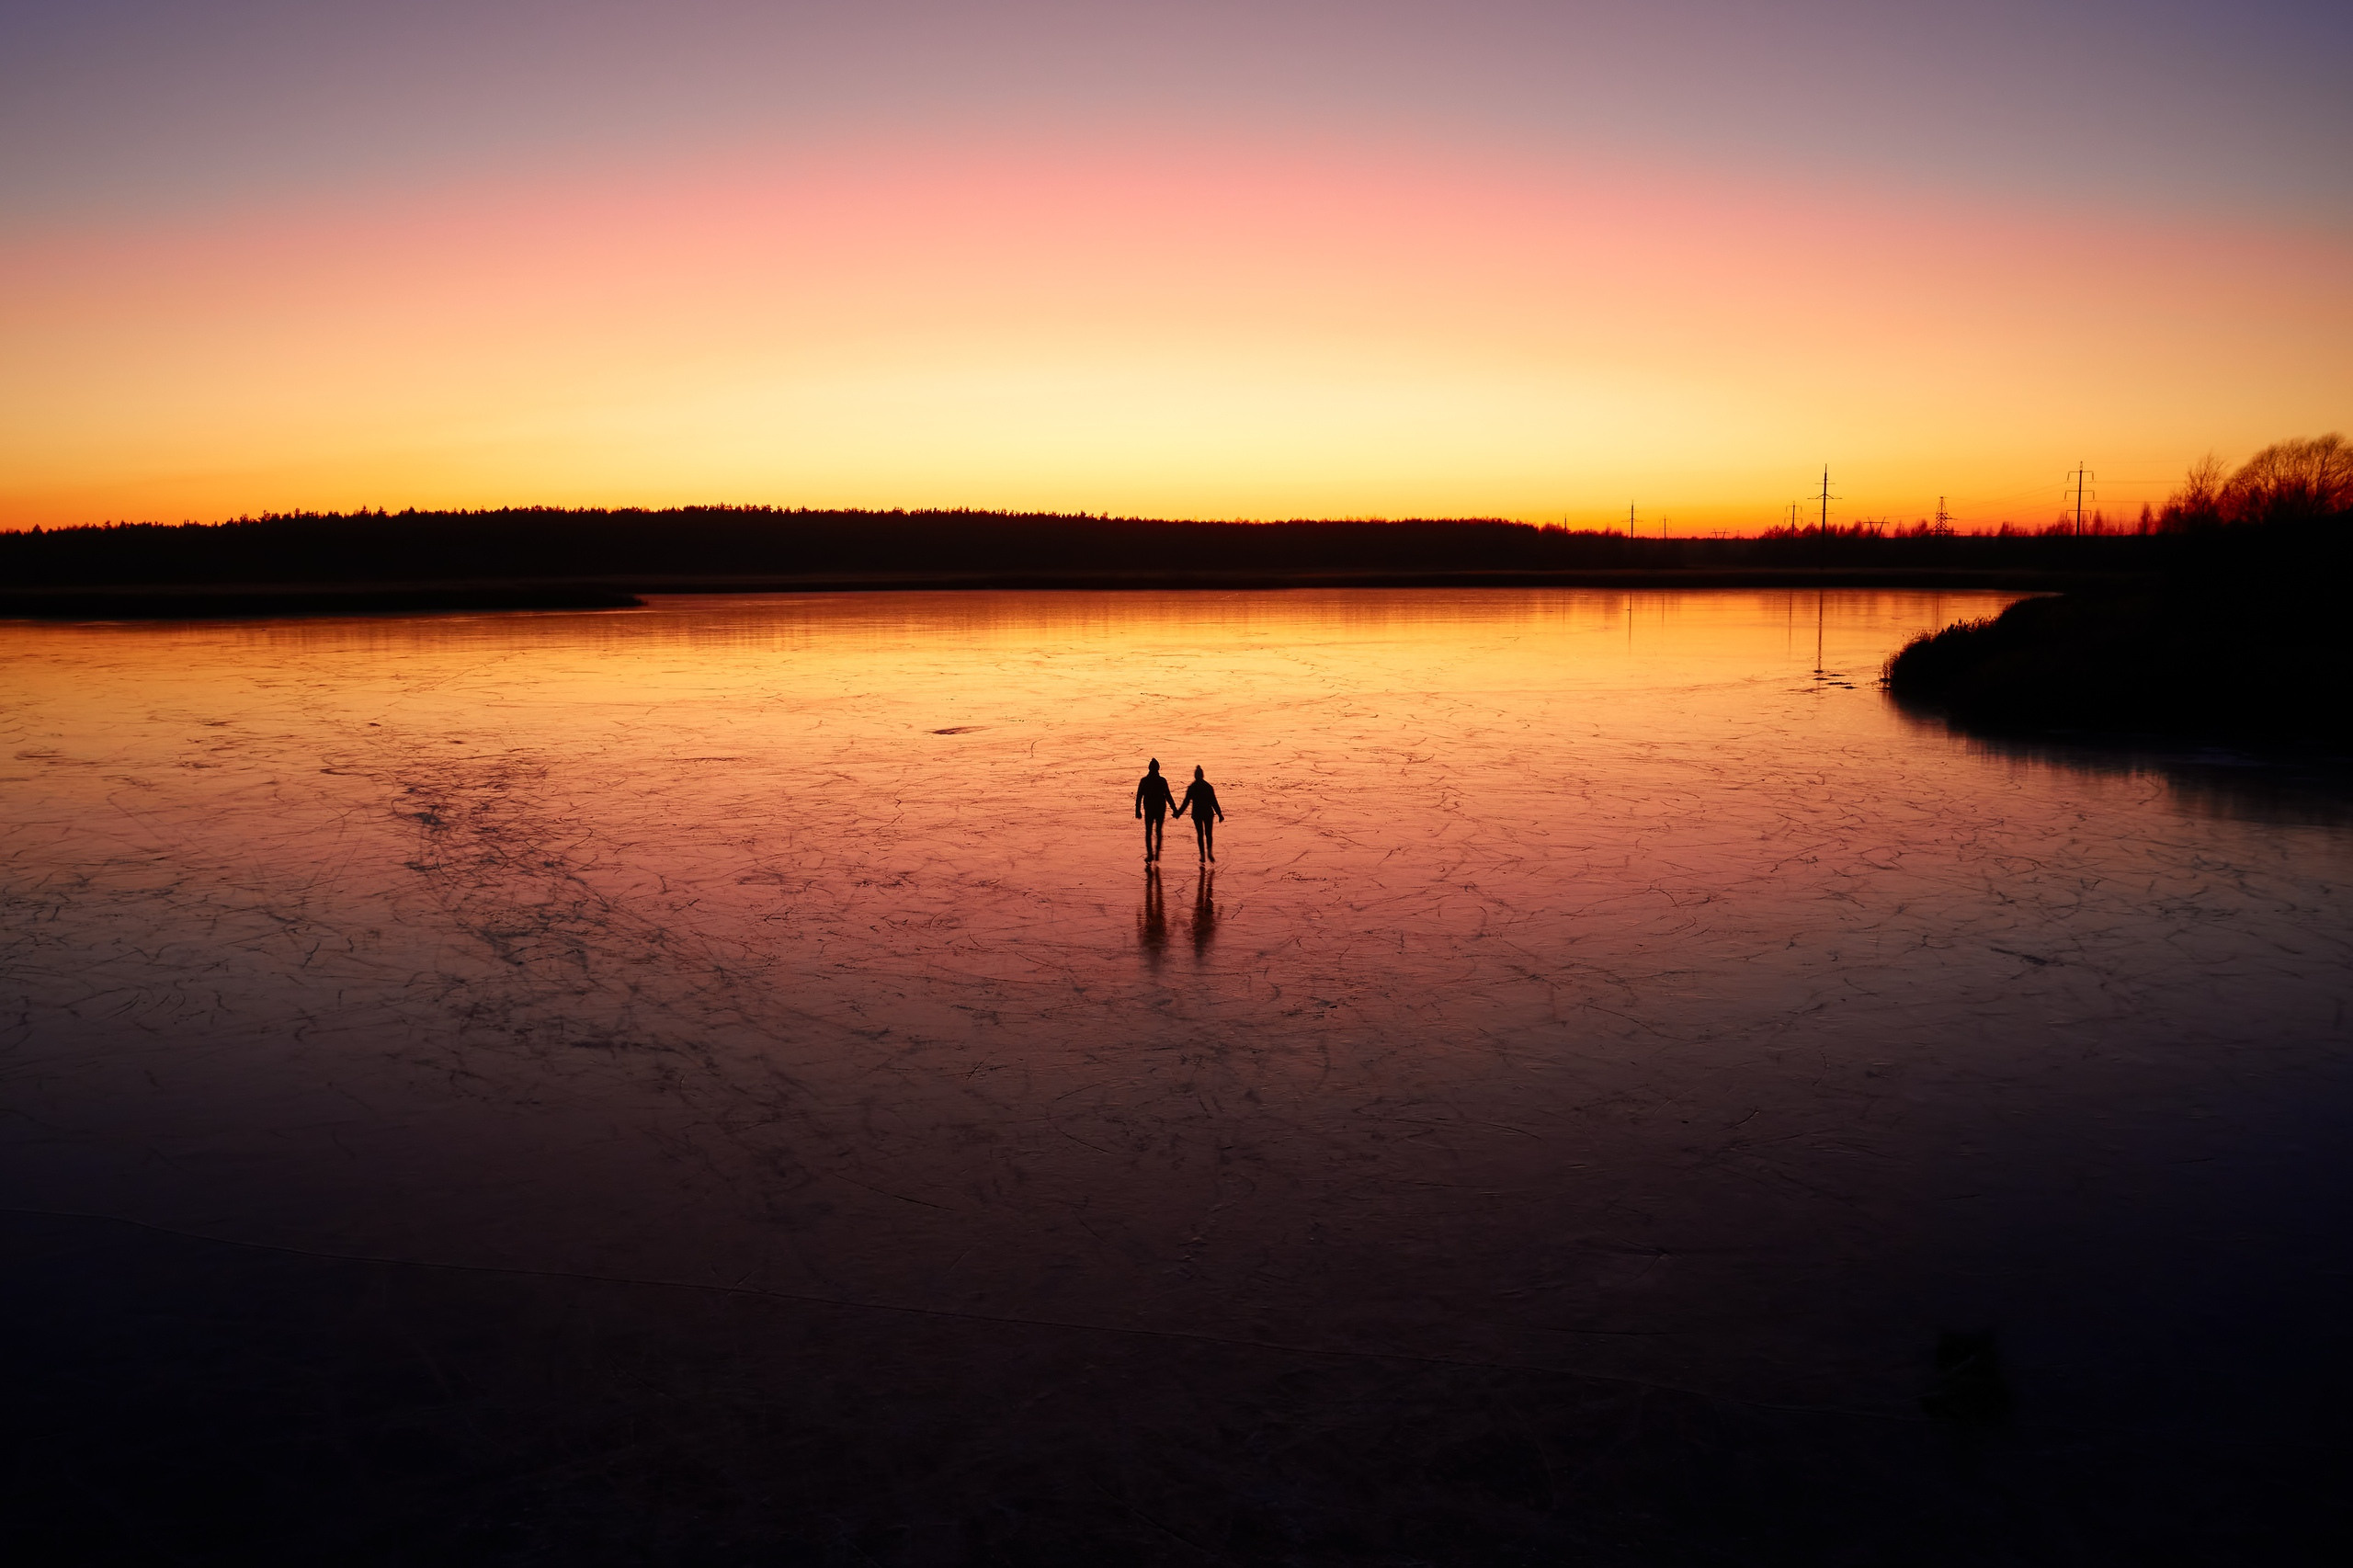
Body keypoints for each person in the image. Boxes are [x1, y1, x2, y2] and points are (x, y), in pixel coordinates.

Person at [1175, 765, 1223, 862]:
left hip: (1197, 814)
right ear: (1202, 775)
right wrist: (1219, 814)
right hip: (1208, 813)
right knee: (1208, 834)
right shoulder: (1208, 787)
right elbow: (1214, 801)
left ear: (1195, 776)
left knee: (1200, 834)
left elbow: (1186, 802)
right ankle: (1209, 852)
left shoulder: (1192, 787)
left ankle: (1202, 855)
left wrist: (1178, 813)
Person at [1134, 758, 1176, 861]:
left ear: (1149, 768)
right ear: (1158, 768)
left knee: (1149, 832)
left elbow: (1139, 796)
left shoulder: (1144, 781)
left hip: (1149, 808)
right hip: (1160, 808)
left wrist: (1138, 810)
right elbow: (1168, 796)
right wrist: (1174, 809)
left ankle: (1150, 854)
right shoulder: (1162, 781)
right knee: (1158, 830)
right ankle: (1156, 852)